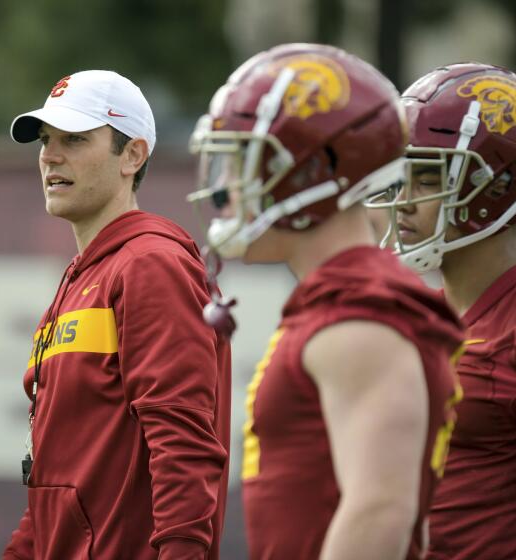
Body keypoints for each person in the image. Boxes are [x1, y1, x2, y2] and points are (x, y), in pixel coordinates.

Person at [186, 43, 464, 559]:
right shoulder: (343, 299)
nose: (226, 190)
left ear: (312, 171)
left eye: (244, 162)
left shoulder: (360, 314)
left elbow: (380, 511)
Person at [2, 70, 231, 560]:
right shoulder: (83, 276)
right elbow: (51, 476)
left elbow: (183, 446)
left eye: (75, 138)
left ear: (133, 155)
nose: (50, 155)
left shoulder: (151, 264)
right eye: (45, 140)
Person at [366, 62, 516, 560]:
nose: (402, 203)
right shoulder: (416, 316)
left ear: (496, 187)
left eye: (428, 179)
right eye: (401, 177)